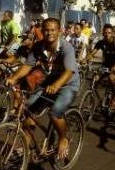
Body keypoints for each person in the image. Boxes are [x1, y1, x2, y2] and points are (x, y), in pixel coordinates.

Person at [6, 18, 80, 160]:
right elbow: (28, 66)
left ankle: (63, 138)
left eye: (53, 30)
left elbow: (68, 71)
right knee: (28, 108)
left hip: (68, 84)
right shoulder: (38, 46)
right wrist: (13, 78)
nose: (49, 33)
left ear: (59, 31)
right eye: (46, 30)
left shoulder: (66, 47)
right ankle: (26, 142)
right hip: (50, 82)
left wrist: (56, 86)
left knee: (55, 113)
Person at [83, 24, 115, 112]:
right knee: (95, 80)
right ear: (102, 33)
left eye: (109, 33)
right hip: (106, 65)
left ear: (112, 33)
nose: (107, 35)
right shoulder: (101, 42)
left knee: (111, 78)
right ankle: (101, 101)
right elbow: (92, 54)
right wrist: (84, 60)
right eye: (105, 33)